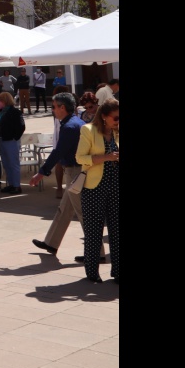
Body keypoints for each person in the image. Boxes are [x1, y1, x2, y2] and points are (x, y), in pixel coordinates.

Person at [30, 93, 106, 262]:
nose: (53, 110)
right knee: (65, 210)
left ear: (62, 108)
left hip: (76, 172)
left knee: (84, 213)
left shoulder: (70, 126)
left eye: (54, 107)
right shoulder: (75, 123)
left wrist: (42, 172)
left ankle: (97, 253)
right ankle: (51, 243)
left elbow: (58, 152)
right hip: (76, 171)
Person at [75, 100, 119, 283]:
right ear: (103, 116)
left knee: (117, 230)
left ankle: (118, 272)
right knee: (94, 231)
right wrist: (106, 157)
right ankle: (92, 272)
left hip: (115, 186)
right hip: (94, 188)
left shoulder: (117, 132)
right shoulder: (88, 130)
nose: (118, 121)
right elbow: (80, 158)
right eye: (115, 118)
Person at [0, 92, 26, 193]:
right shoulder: (0, 111)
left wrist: (15, 137)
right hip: (1, 139)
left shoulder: (15, 112)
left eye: (0, 100)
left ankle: (17, 185)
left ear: (6, 100)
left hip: (11, 141)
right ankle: (11, 184)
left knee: (13, 163)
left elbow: (21, 127)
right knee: (6, 164)